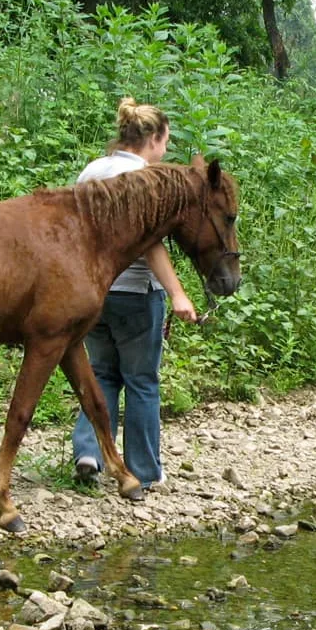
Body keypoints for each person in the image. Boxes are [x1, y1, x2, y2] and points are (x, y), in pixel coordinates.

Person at [71, 97, 198, 500]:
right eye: (166, 140)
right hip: (137, 295)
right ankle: (143, 470)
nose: (166, 149)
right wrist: (178, 294)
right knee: (141, 381)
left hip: (93, 293)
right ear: (155, 139)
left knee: (101, 374)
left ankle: (88, 454)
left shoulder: (92, 170)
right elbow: (151, 246)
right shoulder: (147, 178)